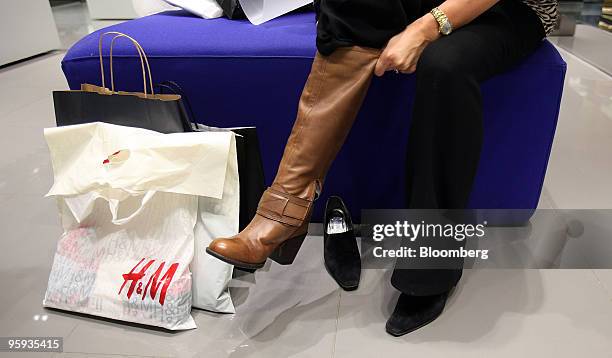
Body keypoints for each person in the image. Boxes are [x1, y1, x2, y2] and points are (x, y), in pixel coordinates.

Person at [207, 0, 559, 337]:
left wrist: (425, 28)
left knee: (445, 64)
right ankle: (285, 206)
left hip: (507, 9)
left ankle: (431, 263)